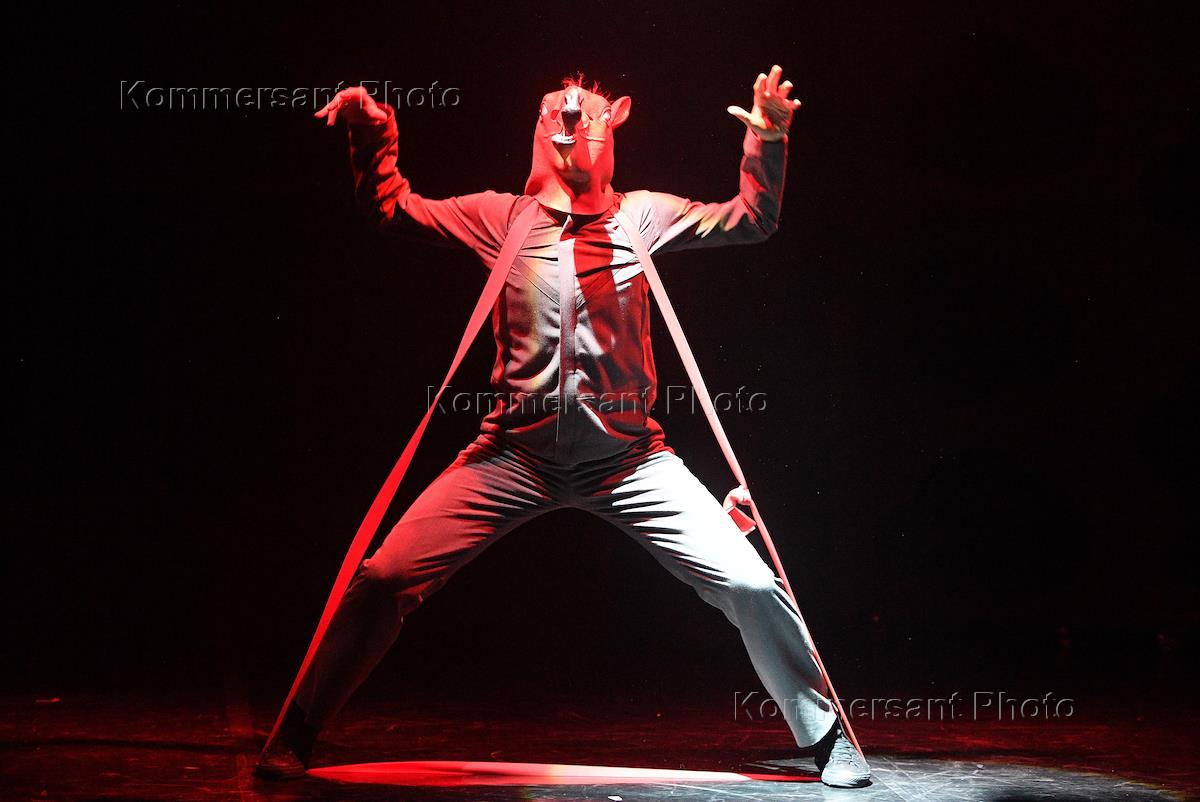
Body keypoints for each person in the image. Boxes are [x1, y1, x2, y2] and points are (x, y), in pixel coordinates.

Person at [255, 66, 871, 789]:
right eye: (557, 107)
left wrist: (768, 139)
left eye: (587, 110)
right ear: (539, 127)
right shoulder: (501, 218)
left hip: (630, 461)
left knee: (750, 583)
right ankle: (299, 727)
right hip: (511, 457)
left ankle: (825, 735)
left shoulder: (643, 216)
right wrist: (373, 135)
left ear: (618, 121)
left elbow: (752, 218)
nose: (571, 114)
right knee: (386, 577)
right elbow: (393, 209)